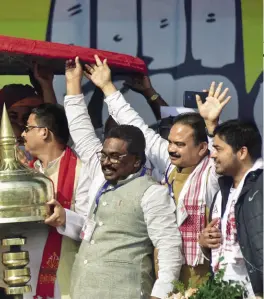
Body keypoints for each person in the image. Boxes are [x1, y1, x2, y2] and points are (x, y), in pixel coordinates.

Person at [83, 55, 232, 288]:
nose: (171, 149)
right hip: (164, 272)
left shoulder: (211, 174)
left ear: (203, 148)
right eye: (171, 142)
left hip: (202, 278)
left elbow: (221, 155)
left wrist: (213, 126)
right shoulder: (170, 163)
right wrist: (107, 86)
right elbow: (136, 124)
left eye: (180, 144)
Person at [45, 56, 183, 299]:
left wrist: (160, 294)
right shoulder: (103, 176)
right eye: (104, 155)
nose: (107, 162)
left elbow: (169, 246)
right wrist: (72, 84)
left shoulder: (152, 192)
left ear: (137, 161)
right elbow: (81, 132)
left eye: (116, 157)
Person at [0, 103, 82, 299]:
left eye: (28, 129)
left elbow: (92, 226)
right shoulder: (28, 171)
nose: (23, 135)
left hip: (62, 273)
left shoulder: (81, 171)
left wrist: (64, 217)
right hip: (20, 271)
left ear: (44, 132)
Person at [199, 120, 263, 298]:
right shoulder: (223, 191)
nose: (212, 155)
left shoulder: (261, 187)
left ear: (242, 152)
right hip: (223, 290)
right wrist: (206, 244)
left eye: (219, 149)